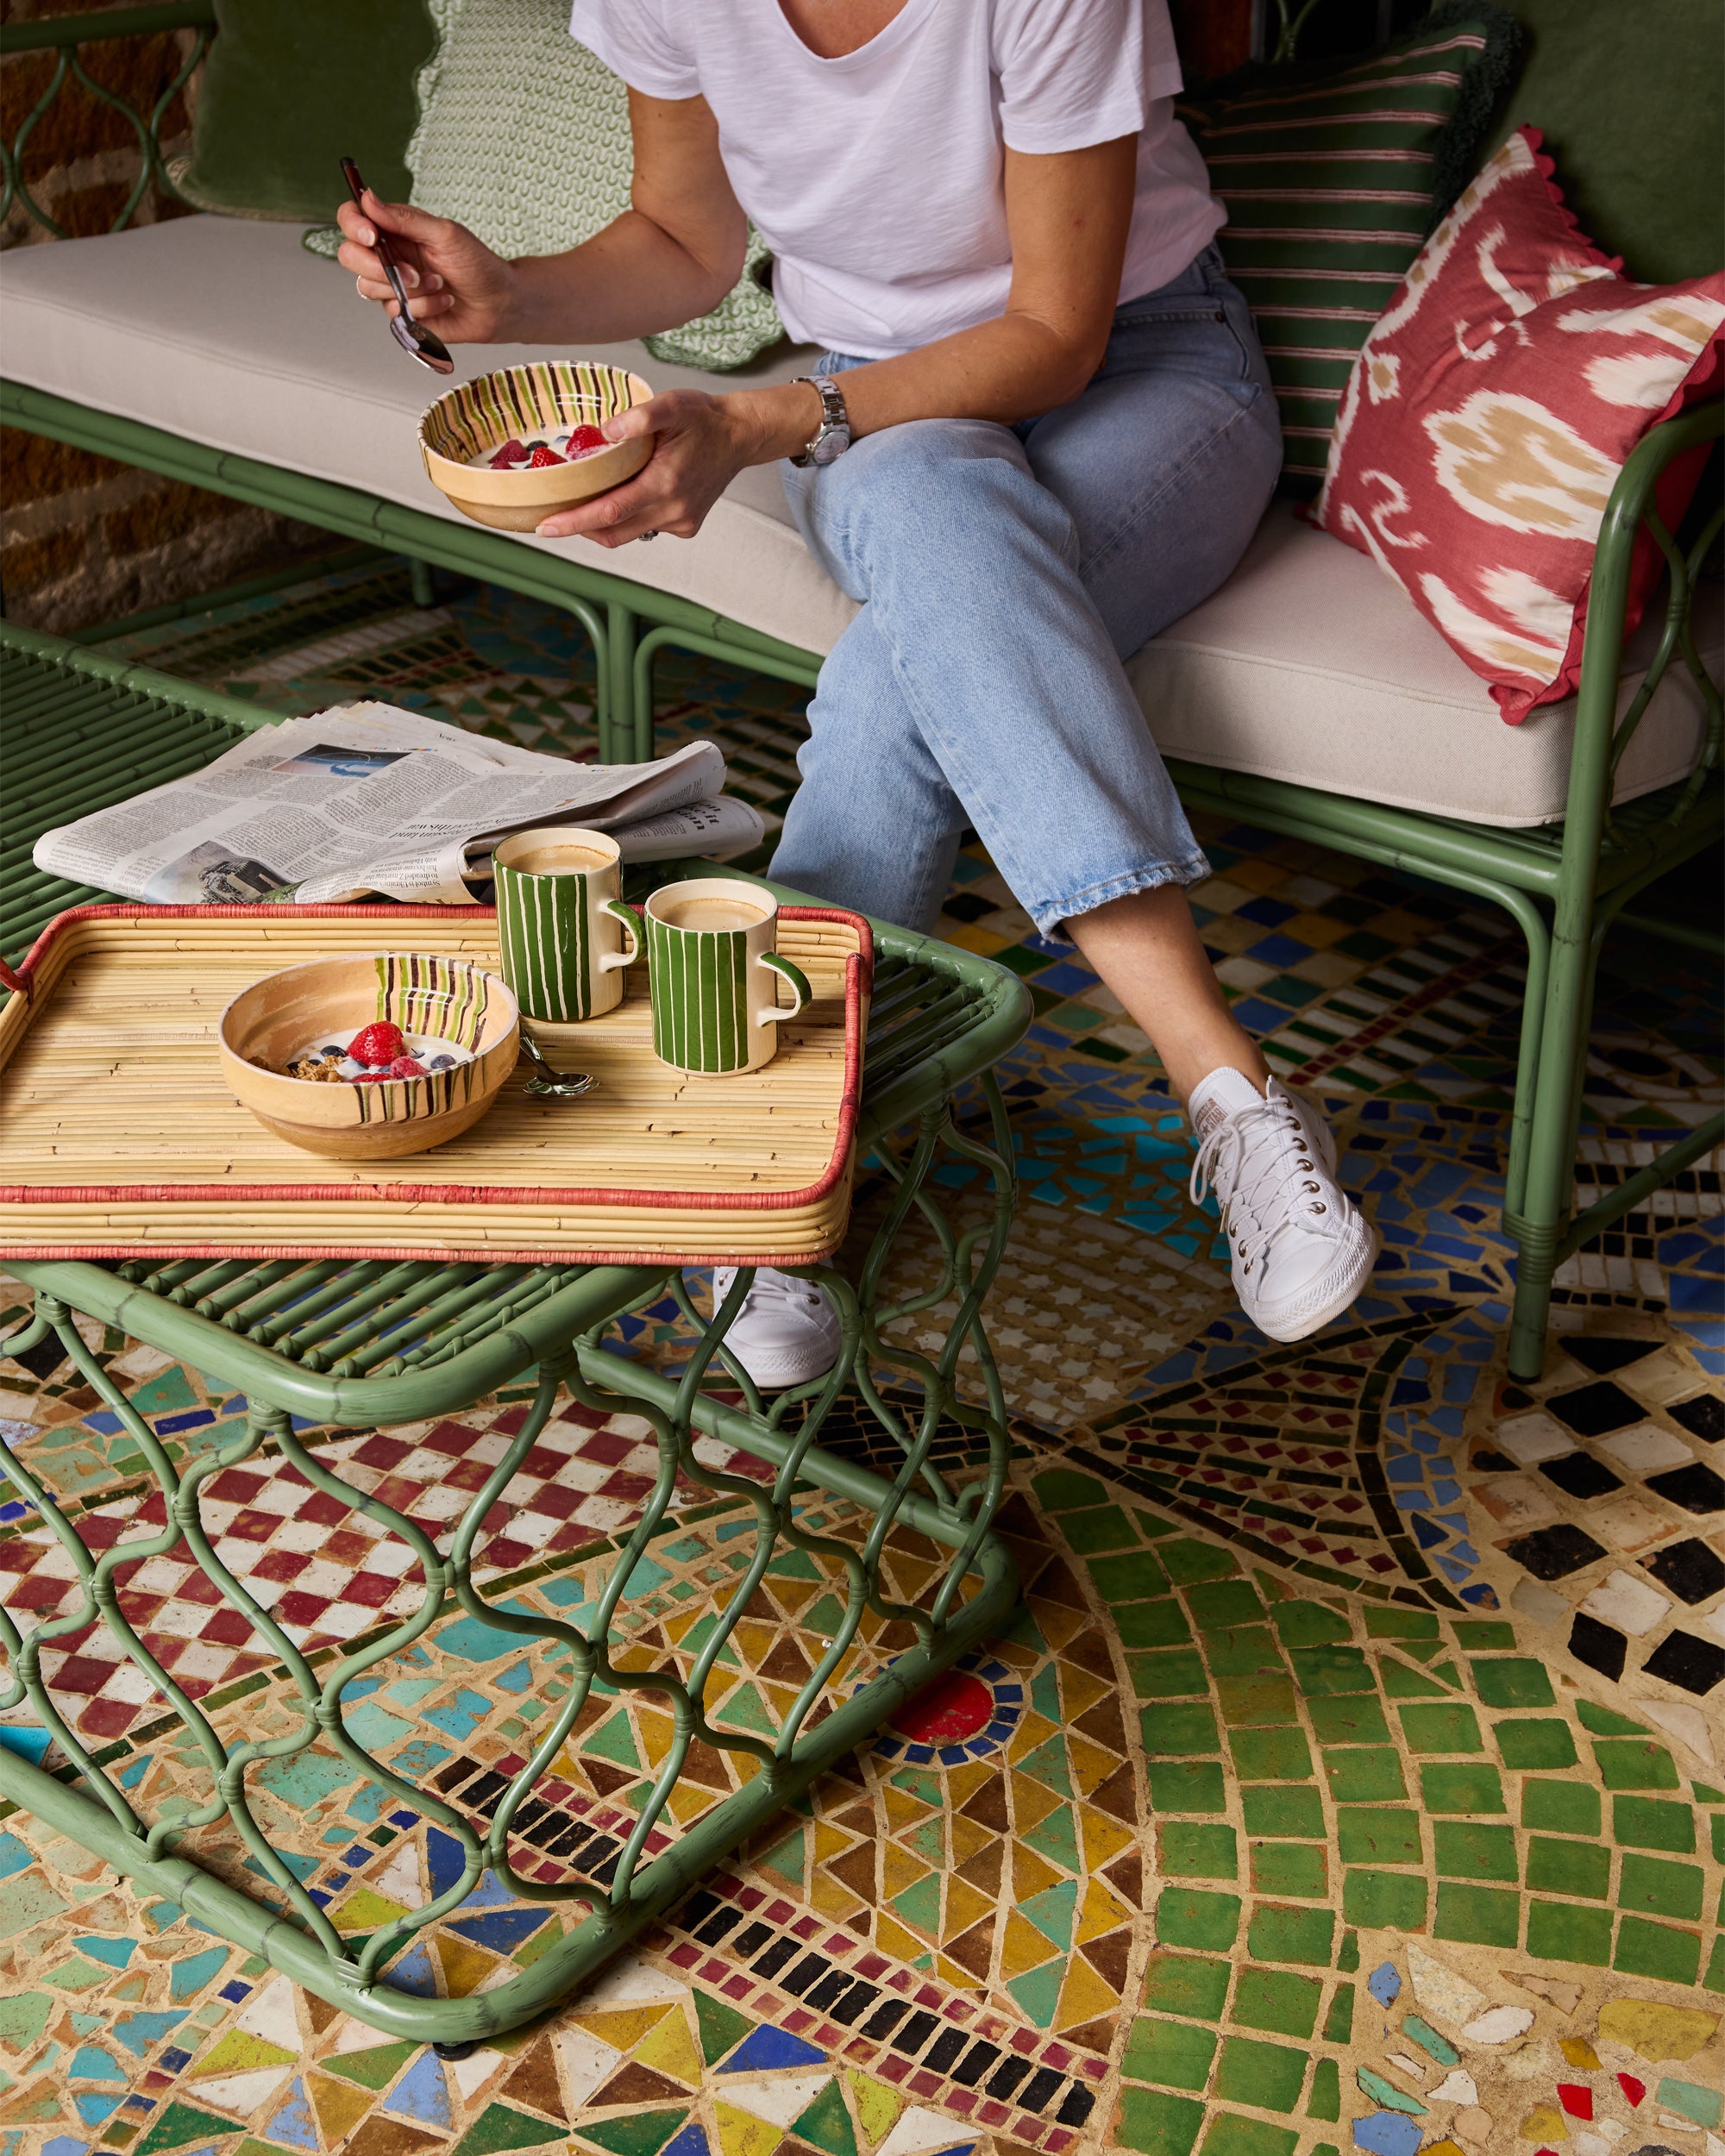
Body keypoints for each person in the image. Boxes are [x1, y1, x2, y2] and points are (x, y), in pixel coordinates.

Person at [336, 0, 1378, 1385]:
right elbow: (686, 245)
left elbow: (1055, 334)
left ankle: (770, 1171)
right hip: (881, 415)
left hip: (1148, 375)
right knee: (921, 493)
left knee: (902, 663)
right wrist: (510, 296)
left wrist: (768, 421)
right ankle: (1228, 1090)